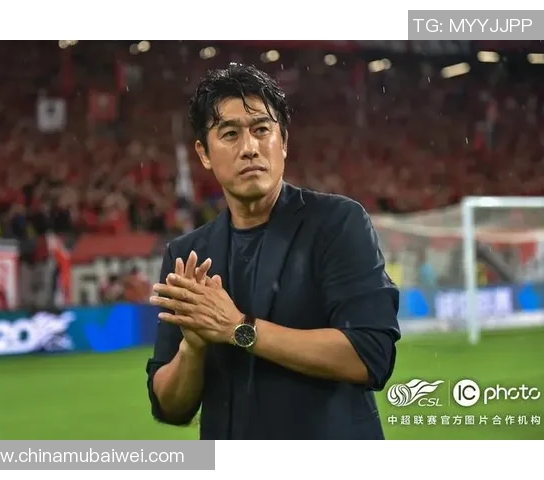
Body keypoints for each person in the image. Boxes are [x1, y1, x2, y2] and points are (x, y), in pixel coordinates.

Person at [145, 63, 401, 440]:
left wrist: (239, 328)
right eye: (229, 134)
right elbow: (169, 407)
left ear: (283, 142)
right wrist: (193, 349)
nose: (249, 148)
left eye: (261, 130)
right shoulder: (188, 255)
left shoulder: (336, 223)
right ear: (204, 153)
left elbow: (371, 355)